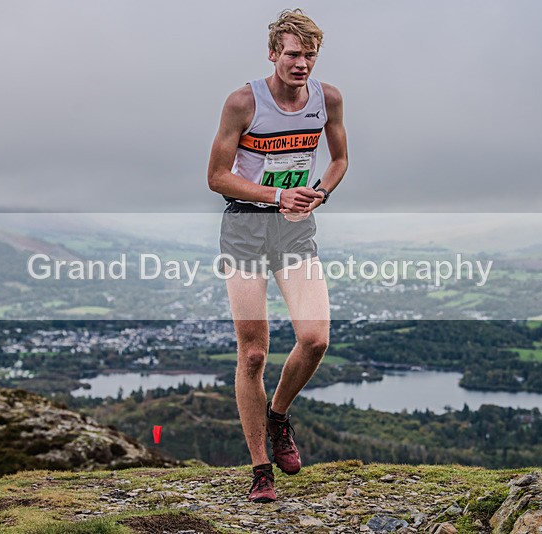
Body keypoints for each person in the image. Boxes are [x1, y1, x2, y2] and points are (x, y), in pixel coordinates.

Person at [207, 9, 348, 503]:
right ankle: (260, 470)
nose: (301, 63)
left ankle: (279, 415)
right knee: (253, 353)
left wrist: (319, 193)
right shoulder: (243, 102)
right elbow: (217, 177)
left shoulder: (328, 99)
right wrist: (276, 195)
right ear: (273, 54)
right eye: (292, 54)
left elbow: (340, 160)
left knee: (315, 338)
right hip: (245, 227)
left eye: (309, 55)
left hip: (294, 229)